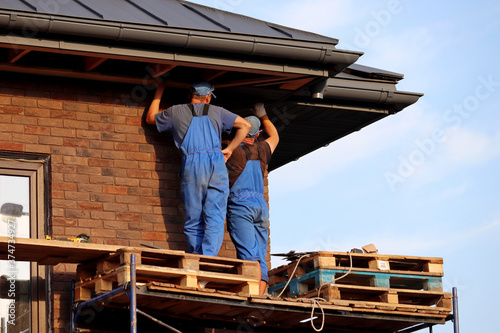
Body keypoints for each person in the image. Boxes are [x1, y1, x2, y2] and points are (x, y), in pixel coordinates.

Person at [146, 80, 251, 256]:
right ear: (208, 98)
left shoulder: (175, 111)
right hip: (216, 163)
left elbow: (150, 118)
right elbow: (245, 126)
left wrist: (159, 89)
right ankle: (208, 257)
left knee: (193, 216)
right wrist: (230, 149)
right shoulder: (218, 112)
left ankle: (196, 256)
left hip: (192, 164)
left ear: (189, 96)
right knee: (215, 216)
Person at [225, 103, 279, 295]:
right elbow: (275, 136)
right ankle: (261, 294)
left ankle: (253, 295)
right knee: (260, 255)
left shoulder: (232, 151)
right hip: (260, 207)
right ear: (257, 134)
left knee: (249, 255)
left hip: (242, 206)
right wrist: (263, 115)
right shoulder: (263, 149)